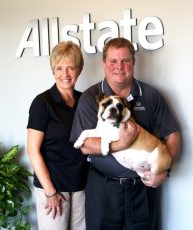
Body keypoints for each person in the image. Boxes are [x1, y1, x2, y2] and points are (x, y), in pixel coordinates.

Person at [70, 37, 181, 230]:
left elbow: (172, 135)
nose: (119, 67)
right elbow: (85, 145)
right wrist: (121, 143)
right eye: (113, 61)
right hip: (103, 189)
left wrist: (164, 171)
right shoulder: (91, 97)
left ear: (133, 62)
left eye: (125, 61)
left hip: (142, 189)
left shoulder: (151, 95)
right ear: (104, 63)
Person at [26, 41, 88, 230]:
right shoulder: (42, 103)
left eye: (70, 68)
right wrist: (50, 192)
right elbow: (33, 151)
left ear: (79, 70)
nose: (65, 74)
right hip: (53, 187)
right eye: (59, 68)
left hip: (81, 186)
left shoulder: (85, 100)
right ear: (53, 70)